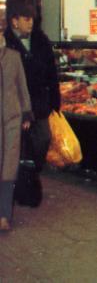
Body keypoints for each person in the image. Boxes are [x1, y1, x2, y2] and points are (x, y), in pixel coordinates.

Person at [4, 3, 60, 174]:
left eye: (32, 20)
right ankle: (20, 182)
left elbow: (51, 71)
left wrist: (55, 100)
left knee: (43, 139)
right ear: (15, 21)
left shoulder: (41, 40)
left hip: (39, 103)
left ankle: (33, 173)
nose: (30, 23)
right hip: (15, 104)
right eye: (26, 19)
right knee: (17, 146)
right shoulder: (5, 43)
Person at [0, 35, 31, 232]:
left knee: (9, 167)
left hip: (11, 118)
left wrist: (26, 113)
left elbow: (22, 86)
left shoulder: (13, 57)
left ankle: (4, 215)